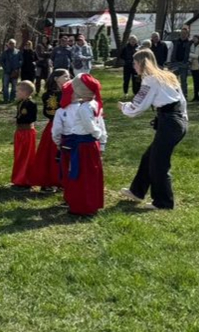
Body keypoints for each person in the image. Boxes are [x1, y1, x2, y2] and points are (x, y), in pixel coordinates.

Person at [119, 48, 187, 210]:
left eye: (135, 63)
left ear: (142, 63)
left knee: (159, 163)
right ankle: (137, 191)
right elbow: (182, 101)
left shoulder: (150, 80)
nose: (134, 66)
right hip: (177, 121)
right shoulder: (168, 76)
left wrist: (124, 107)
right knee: (149, 157)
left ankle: (163, 202)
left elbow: (139, 105)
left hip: (170, 123)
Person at [52, 73, 107, 216]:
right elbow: (100, 124)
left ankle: (83, 206)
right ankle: (90, 203)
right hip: (88, 144)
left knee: (81, 175)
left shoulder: (84, 108)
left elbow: (91, 126)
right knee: (90, 174)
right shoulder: (94, 104)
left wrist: (97, 135)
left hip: (84, 145)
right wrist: (101, 142)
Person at [26, 69, 68, 192]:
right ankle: (49, 181)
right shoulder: (51, 95)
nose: (68, 79)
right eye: (65, 76)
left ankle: (61, 181)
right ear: (56, 79)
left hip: (67, 127)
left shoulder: (67, 92)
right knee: (52, 155)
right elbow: (51, 112)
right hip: (55, 127)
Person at [11, 80, 37, 188]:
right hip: (20, 132)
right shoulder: (20, 103)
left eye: (18, 91)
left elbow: (32, 118)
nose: (16, 93)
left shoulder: (30, 104)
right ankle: (18, 178)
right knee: (19, 155)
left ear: (24, 92)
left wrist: (21, 121)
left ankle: (25, 180)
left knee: (26, 156)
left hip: (26, 133)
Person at [169, 26, 192, 98]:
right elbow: (170, 51)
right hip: (174, 63)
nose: (183, 34)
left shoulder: (189, 43)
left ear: (187, 34)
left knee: (183, 81)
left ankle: (184, 95)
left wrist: (188, 61)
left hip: (184, 63)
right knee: (173, 79)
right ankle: (174, 94)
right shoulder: (175, 41)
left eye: (185, 33)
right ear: (180, 34)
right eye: (182, 33)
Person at [188, 34, 199, 103]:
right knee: (195, 82)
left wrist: (189, 55)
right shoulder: (192, 45)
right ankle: (195, 95)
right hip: (193, 66)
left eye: (196, 38)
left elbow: (198, 56)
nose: (194, 40)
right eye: (193, 38)